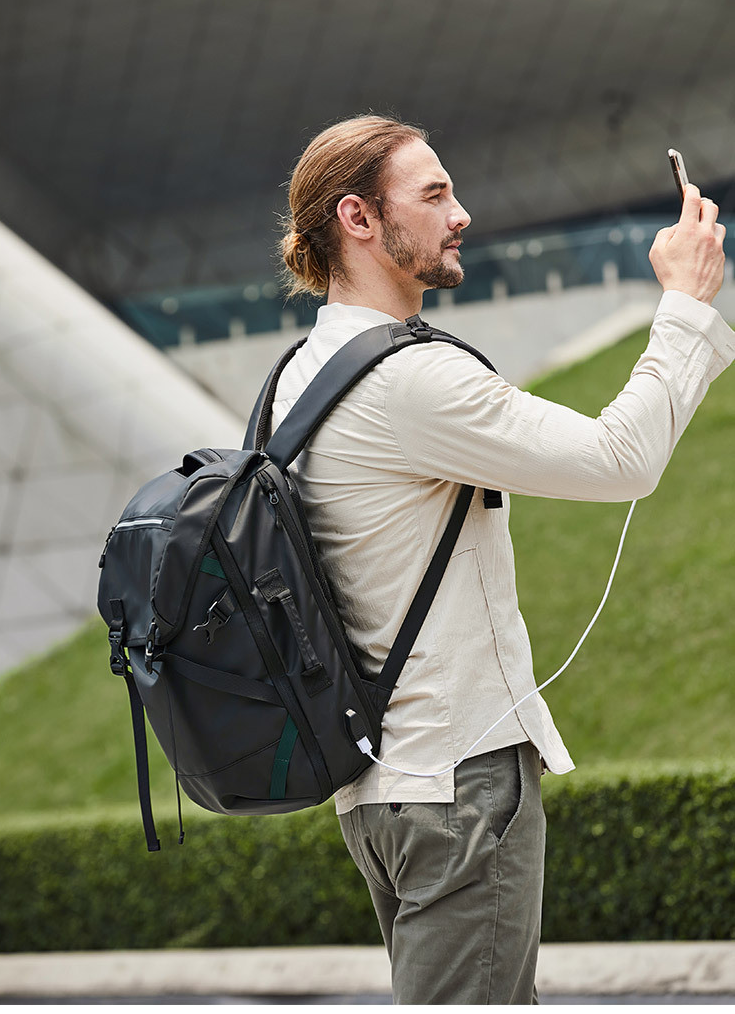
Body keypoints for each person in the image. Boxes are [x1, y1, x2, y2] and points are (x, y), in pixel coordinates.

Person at [271, 113, 733, 1005]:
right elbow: (619, 460)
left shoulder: (298, 373)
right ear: (359, 219)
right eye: (435, 194)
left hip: (380, 787)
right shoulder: (406, 379)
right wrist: (683, 306)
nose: (463, 214)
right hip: (456, 783)